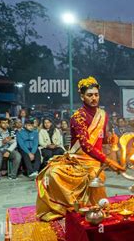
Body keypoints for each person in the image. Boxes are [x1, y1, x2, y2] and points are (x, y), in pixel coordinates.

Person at [36, 76, 125, 222]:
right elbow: (85, 144)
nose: (94, 98)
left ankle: (95, 208)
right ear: (82, 96)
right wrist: (108, 161)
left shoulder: (103, 115)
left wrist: (110, 139)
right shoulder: (78, 117)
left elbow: (100, 139)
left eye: (96, 94)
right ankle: (69, 208)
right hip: (76, 159)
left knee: (95, 177)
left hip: (94, 161)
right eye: (90, 95)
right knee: (52, 173)